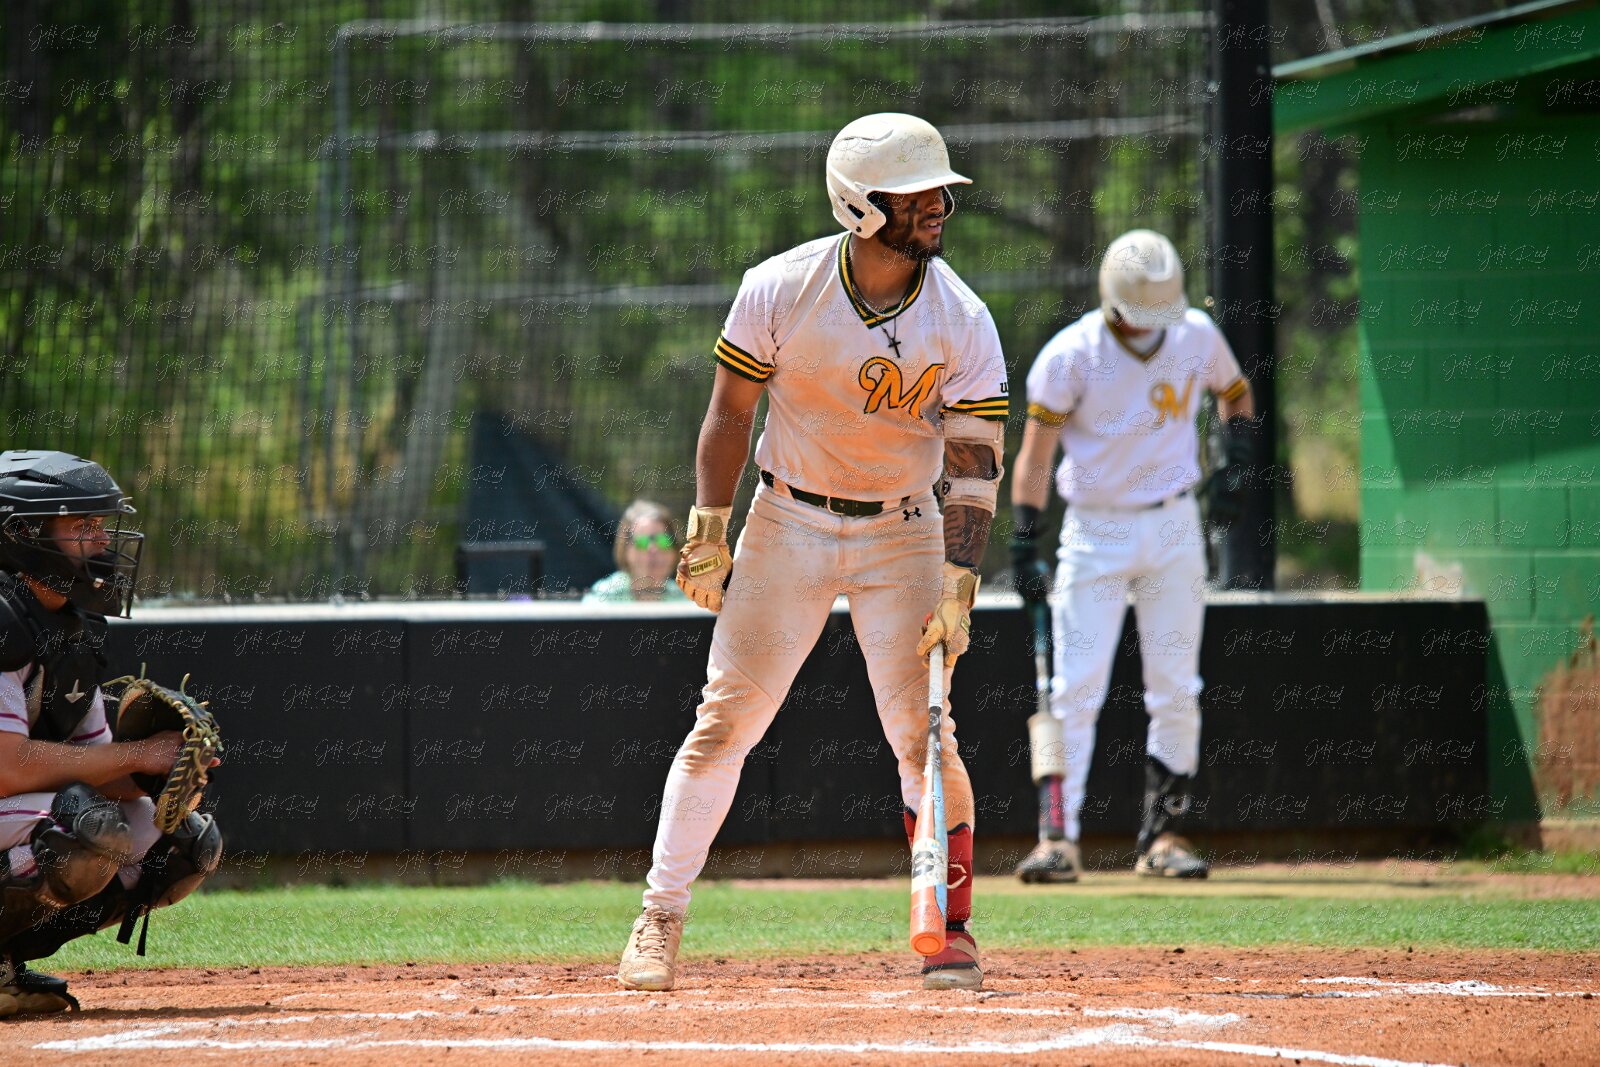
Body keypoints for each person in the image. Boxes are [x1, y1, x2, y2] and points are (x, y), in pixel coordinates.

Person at [616, 113, 1008, 992]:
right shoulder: (780, 287)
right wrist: (709, 527)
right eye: (915, 194)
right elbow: (730, 412)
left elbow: (975, 461)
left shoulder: (963, 316)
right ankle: (660, 916)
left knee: (926, 734)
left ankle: (949, 930)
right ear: (860, 205)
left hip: (905, 527)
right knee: (725, 722)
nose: (938, 206)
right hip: (787, 519)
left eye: (940, 191)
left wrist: (959, 579)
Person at [1009, 230, 1255, 883]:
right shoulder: (1070, 355)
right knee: (1074, 688)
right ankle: (1058, 838)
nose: (1152, 326)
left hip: (1174, 524)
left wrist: (1237, 458)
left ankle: (1163, 835)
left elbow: (1235, 391)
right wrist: (1026, 536)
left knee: (1176, 686)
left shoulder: (1195, 334)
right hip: (1095, 530)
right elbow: (1035, 456)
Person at [0, 450, 222, 1015]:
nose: (101, 540)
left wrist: (163, 773)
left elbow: (98, 765)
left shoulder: (66, 627)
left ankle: (4, 963)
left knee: (180, 841)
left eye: (101, 523)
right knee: (85, 828)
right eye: (82, 525)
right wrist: (140, 752)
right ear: (24, 534)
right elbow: (8, 769)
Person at [583, 500, 688, 603]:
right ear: (625, 550)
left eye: (663, 541)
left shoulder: (686, 599)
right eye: (642, 542)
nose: (653, 549)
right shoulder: (603, 597)